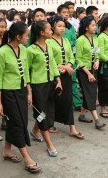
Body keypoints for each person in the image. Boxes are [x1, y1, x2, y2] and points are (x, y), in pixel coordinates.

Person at [0, 21, 41, 173]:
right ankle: (26, 157)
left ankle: (7, 151)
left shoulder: (24, 49)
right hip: (8, 93)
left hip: (21, 91)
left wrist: (29, 92)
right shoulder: (2, 52)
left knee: (18, 121)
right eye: (26, 35)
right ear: (18, 36)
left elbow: (26, 72)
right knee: (17, 123)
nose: (28, 38)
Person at [47, 15, 85, 139]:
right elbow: (49, 60)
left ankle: (72, 128)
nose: (62, 28)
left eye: (63, 26)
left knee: (68, 101)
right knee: (53, 101)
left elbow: (71, 57)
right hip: (54, 76)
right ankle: (49, 123)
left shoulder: (66, 41)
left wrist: (68, 65)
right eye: (59, 26)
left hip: (66, 75)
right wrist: (62, 67)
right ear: (53, 27)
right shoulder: (48, 41)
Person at [27, 20, 61, 157]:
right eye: (49, 29)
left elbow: (53, 64)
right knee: (42, 113)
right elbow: (26, 71)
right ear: (42, 33)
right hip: (37, 86)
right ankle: (49, 144)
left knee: (46, 111)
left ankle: (35, 131)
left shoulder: (49, 46)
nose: (52, 31)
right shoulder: (30, 50)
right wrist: (28, 90)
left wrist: (58, 80)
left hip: (49, 83)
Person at [75, 16, 106, 129]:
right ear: (86, 27)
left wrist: (97, 61)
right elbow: (78, 59)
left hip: (93, 69)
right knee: (91, 93)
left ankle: (82, 115)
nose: (95, 27)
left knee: (91, 91)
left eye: (95, 25)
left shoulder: (95, 38)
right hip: (84, 71)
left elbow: (97, 52)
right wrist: (88, 73)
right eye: (93, 25)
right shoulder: (80, 40)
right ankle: (97, 119)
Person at [57, 4, 82, 111]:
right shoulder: (55, 27)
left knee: (73, 81)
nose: (66, 14)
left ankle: (77, 102)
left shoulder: (70, 26)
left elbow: (74, 41)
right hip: (60, 60)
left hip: (71, 57)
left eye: (67, 12)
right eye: (64, 12)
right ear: (58, 13)